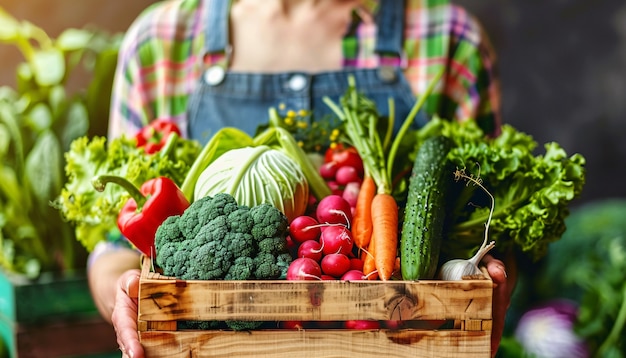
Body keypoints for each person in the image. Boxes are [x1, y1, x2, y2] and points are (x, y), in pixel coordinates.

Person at [88, 1, 516, 357]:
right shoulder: (159, 43)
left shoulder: (448, 39)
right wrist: (122, 294)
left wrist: (491, 280)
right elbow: (115, 250)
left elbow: (489, 233)